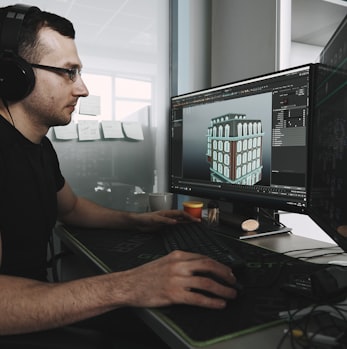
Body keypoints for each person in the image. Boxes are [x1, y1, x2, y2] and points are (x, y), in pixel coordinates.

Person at [0, 4, 239, 347]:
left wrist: (136, 221)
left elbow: (72, 208)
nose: (81, 89)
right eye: (69, 72)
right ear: (13, 74)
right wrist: (129, 285)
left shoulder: (38, 146)